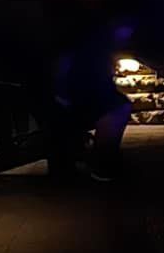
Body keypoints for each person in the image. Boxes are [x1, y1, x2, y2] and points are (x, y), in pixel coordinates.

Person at [50, 14, 136, 181]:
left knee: (118, 107)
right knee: (116, 108)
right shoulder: (89, 43)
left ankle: (103, 160)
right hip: (75, 96)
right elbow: (63, 66)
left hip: (81, 93)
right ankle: (102, 162)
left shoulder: (97, 45)